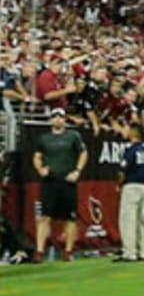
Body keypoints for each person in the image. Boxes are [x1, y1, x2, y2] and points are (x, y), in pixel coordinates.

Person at [33, 108, 88, 263]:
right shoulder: (44, 139)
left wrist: (77, 171)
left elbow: (83, 153)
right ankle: (39, 251)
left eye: (61, 117)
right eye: (55, 117)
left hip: (67, 182)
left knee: (70, 218)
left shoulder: (73, 136)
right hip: (49, 182)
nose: (58, 119)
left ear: (65, 119)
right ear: (50, 120)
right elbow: (37, 157)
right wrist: (40, 169)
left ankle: (68, 251)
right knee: (45, 217)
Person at [115, 122, 144, 262]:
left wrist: (119, 184)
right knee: (139, 221)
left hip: (131, 186)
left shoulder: (131, 150)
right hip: (143, 187)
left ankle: (129, 252)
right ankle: (142, 251)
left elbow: (123, 170)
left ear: (133, 133)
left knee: (128, 220)